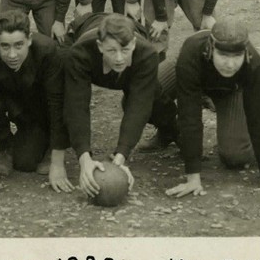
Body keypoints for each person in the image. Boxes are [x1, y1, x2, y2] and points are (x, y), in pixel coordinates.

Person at [165, 18, 260, 198]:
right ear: (211, 48)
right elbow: (190, 116)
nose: (230, 64)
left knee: (236, 156)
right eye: (224, 55)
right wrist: (193, 178)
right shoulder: (192, 51)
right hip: (189, 70)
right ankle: (168, 130)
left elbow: (259, 116)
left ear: (245, 53)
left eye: (236, 56)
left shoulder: (254, 64)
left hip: (228, 90)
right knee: (150, 94)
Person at [63, 13, 177, 196]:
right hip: (85, 28)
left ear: (133, 43)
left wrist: (121, 155)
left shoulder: (147, 54)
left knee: (153, 98)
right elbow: (77, 105)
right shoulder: (79, 53)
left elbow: (139, 106)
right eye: (111, 51)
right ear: (100, 47)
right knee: (62, 95)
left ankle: (170, 129)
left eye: (124, 50)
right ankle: (53, 145)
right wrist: (84, 158)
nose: (118, 58)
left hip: (137, 65)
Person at [0, 11, 71, 197]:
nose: (12, 54)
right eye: (5, 46)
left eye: (19, 45)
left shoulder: (48, 51)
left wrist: (57, 162)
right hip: (9, 103)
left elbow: (58, 105)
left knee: (26, 162)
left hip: (40, 109)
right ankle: (6, 146)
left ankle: (48, 145)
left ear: (29, 39)